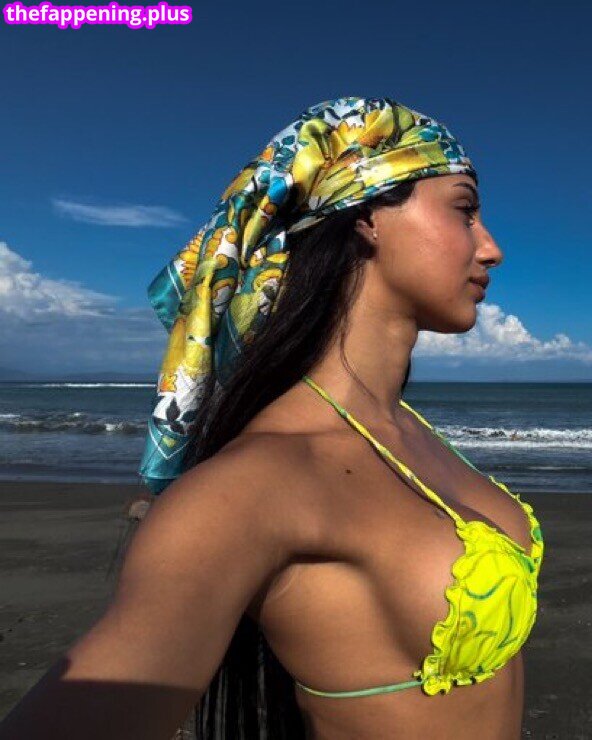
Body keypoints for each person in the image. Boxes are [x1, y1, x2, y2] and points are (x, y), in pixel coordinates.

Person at [0, 97, 545, 740]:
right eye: (464, 209)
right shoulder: (254, 485)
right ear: (367, 213)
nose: (491, 248)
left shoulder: (406, 432)